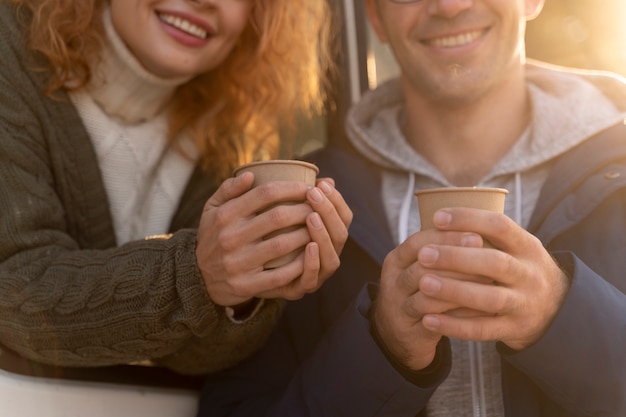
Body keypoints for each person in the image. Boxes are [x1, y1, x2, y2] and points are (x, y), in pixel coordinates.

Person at [196, 0, 626, 415]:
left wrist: (561, 315)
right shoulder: (306, 209)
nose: (450, 5)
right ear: (376, 17)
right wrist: (383, 349)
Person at [0, 0, 352, 377]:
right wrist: (196, 276)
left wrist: (248, 288)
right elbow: (13, 295)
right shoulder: (11, 51)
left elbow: (193, 358)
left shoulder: (238, 126)